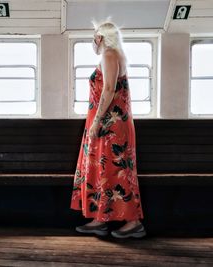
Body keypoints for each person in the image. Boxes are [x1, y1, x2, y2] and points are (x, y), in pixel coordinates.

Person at [70, 19, 146, 238]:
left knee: (115, 171)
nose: (93, 41)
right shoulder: (114, 54)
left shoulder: (109, 54)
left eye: (94, 37)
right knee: (105, 171)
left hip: (109, 125)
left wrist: (95, 122)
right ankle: (100, 218)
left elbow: (109, 89)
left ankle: (133, 223)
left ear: (100, 37)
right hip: (110, 123)